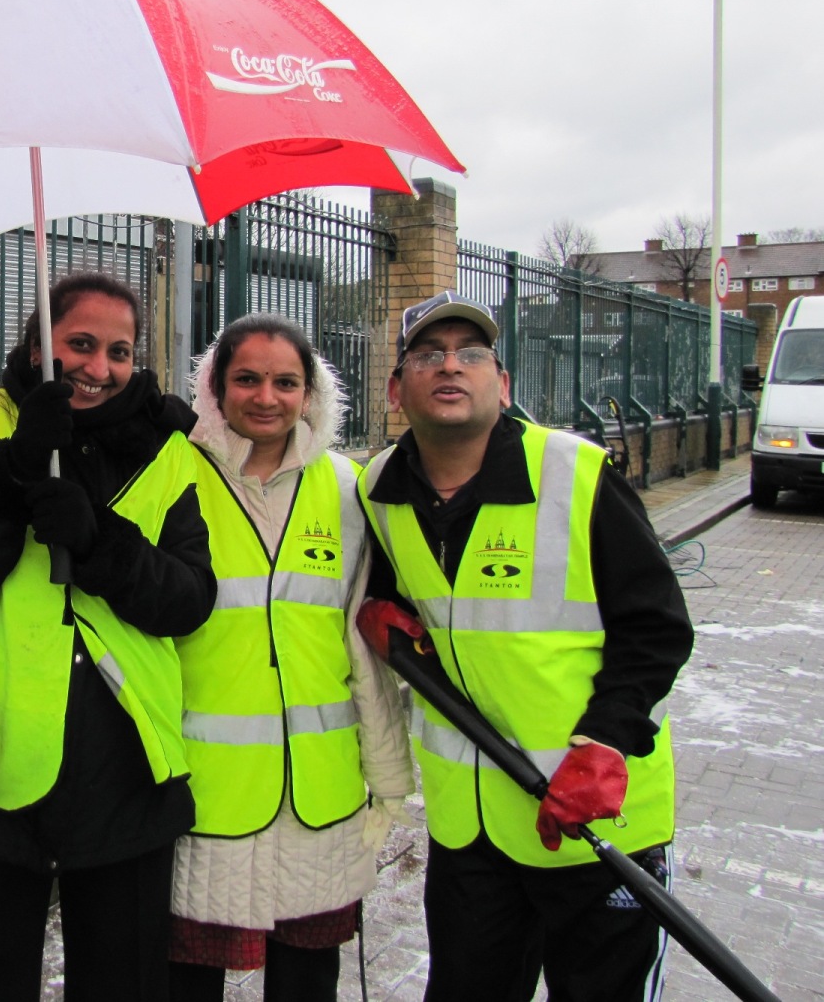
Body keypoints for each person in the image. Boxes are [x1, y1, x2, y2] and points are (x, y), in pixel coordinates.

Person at [355, 290, 693, 1001]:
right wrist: (385, 609)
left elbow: (658, 626)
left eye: (472, 354)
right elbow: (406, 588)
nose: (452, 367)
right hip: (472, 828)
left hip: (593, 813)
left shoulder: (577, 475)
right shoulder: (380, 489)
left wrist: (606, 741)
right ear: (396, 388)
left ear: (502, 385)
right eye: (428, 355)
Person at [0, 271, 217, 1002]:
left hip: (127, 764)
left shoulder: (168, 447)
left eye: (120, 351)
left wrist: (99, 542)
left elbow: (189, 596)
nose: (99, 366)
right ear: (37, 343)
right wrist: (10, 474)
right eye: (79, 344)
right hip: (3, 761)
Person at [167, 314, 413, 1002]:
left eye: (286, 381)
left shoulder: (344, 487)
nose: (266, 397)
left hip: (320, 794)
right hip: (204, 795)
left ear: (311, 393)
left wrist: (388, 773)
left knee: (308, 982)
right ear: (215, 386)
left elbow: (359, 644)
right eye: (246, 378)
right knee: (187, 977)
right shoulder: (173, 471)